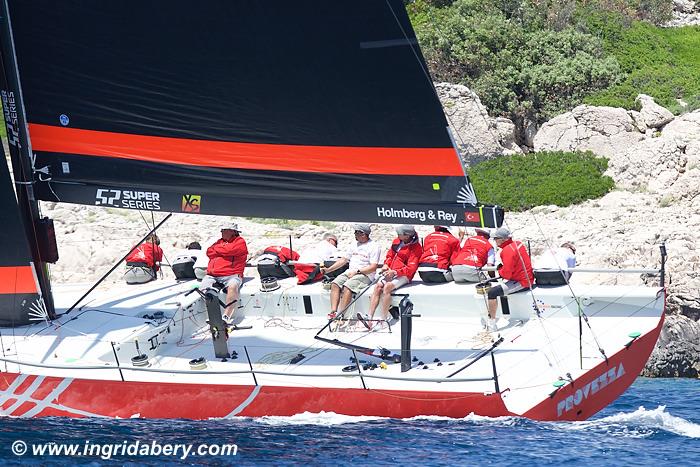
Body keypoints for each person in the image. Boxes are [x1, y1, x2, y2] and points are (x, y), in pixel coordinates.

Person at [361, 225, 422, 329]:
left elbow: (411, 269)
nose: (397, 235)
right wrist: (386, 265)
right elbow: (390, 256)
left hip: (405, 275)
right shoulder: (396, 241)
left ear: (407, 236)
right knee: (378, 286)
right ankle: (369, 318)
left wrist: (395, 272)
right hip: (391, 271)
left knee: (387, 287)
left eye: (400, 233)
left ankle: (383, 320)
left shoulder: (416, 248)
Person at [321, 224, 381, 319]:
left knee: (347, 287)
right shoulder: (354, 244)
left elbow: (373, 267)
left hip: (365, 274)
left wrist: (357, 272)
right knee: (335, 284)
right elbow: (344, 260)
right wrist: (328, 270)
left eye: (356, 232)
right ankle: (333, 312)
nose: (354, 234)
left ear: (363, 234)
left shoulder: (374, 246)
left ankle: (341, 315)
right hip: (350, 272)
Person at [486, 228, 534, 331]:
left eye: (496, 239)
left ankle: (492, 324)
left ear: (503, 239)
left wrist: (500, 270)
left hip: (522, 282)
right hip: (527, 277)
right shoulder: (518, 243)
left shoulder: (507, 251)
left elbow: (506, 275)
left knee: (492, 292)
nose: (495, 241)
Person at [200, 224, 248, 324]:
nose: (221, 232)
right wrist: (223, 250)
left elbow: (231, 250)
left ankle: (226, 316)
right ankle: (214, 315)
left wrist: (218, 250)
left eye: (224, 230)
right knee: (203, 289)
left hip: (232, 274)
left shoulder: (240, 241)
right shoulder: (220, 241)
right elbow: (209, 251)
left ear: (232, 231)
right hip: (213, 275)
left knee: (233, 287)